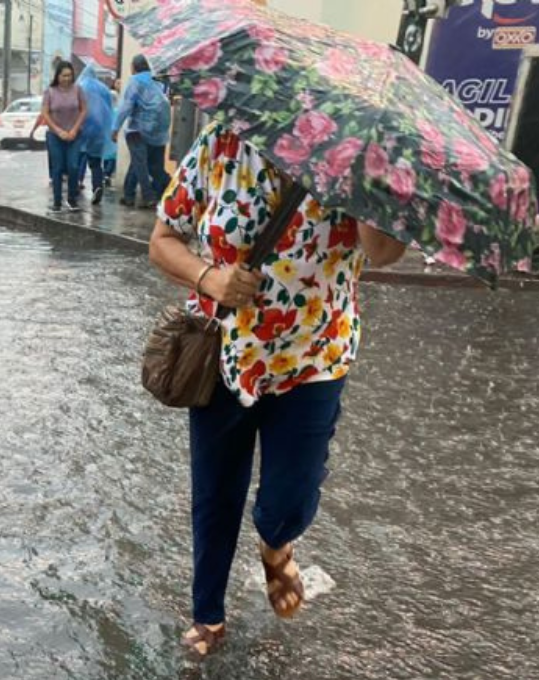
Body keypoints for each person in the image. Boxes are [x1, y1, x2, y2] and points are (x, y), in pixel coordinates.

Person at [148, 122, 407, 658]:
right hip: (225, 354)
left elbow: (381, 254)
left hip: (315, 360)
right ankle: (208, 613)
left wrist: (369, 179)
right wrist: (209, 278)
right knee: (215, 492)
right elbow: (163, 241)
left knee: (289, 495)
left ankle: (276, 543)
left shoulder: (358, 155)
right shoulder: (222, 143)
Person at [113, 55, 171, 209]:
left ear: (134, 67)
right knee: (149, 164)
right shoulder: (158, 80)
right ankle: (129, 196)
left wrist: (115, 128)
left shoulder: (136, 80)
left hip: (138, 130)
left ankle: (149, 196)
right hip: (159, 131)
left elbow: (126, 106)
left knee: (141, 164)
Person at [41, 61, 87, 212]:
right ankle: (57, 201)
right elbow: (45, 113)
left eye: (69, 75)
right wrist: (58, 130)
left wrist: (74, 129)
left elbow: (83, 110)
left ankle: (72, 199)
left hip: (74, 135)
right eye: (64, 75)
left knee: (73, 166)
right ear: (58, 76)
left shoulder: (78, 90)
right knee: (58, 167)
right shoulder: (50, 91)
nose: (67, 78)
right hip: (55, 135)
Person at [75, 69, 114, 206]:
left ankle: (76, 184)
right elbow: (109, 110)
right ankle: (97, 186)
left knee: (77, 157)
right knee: (96, 162)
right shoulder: (104, 89)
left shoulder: (79, 86)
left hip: (82, 127)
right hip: (99, 129)